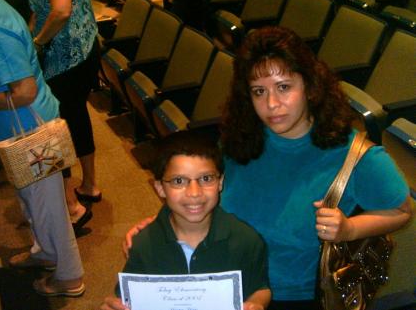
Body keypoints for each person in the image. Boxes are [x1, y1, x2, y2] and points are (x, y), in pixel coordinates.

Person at [123, 26, 413, 310]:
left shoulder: (355, 154)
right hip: (225, 279)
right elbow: (201, 189)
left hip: (295, 297)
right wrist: (162, 224)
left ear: (310, 87)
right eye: (259, 91)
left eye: (284, 87)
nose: (272, 104)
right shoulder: (241, 137)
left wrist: (349, 229)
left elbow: (402, 210)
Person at [0, 0, 85, 296]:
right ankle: (45, 253)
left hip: (30, 130)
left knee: (50, 211)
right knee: (34, 205)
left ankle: (70, 277)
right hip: (18, 129)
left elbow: (25, 92)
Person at [101, 130, 271, 310]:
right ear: (159, 187)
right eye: (179, 181)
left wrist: (257, 304)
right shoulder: (143, 244)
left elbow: (260, 287)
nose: (194, 193)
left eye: (206, 178)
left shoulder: (246, 239)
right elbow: (127, 294)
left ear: (220, 182)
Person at [29, 0, 102, 231]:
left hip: (66, 57)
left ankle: (72, 208)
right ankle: (89, 185)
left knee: (56, 127)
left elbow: (60, 11)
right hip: (83, 47)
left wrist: (37, 43)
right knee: (76, 115)